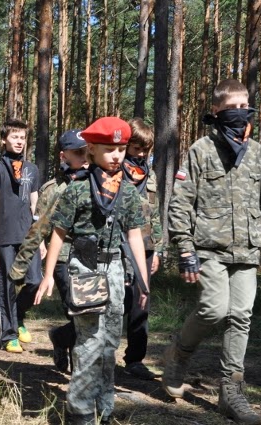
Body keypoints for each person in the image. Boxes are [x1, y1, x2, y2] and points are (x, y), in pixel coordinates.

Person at [164, 79, 261, 425]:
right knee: (214, 309)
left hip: (247, 249)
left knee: (241, 316)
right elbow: (181, 202)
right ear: (216, 111)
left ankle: (231, 389)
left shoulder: (257, 152)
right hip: (209, 249)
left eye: (245, 106)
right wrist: (185, 249)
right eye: (232, 108)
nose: (240, 113)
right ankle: (178, 354)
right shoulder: (201, 150)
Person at [35, 117, 149, 425]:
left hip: (115, 269)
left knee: (110, 344)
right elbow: (58, 233)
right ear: (92, 150)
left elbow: (134, 235)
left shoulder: (127, 191)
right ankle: (80, 410)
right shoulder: (78, 189)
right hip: (84, 268)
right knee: (89, 342)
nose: (116, 156)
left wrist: (143, 280)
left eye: (121, 149)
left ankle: (104, 408)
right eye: (109, 149)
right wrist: (48, 274)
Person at [9, 129, 89, 372]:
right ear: (64, 156)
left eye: (88, 151)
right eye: (78, 152)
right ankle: (80, 368)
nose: (85, 157)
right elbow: (39, 228)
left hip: (93, 259)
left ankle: (61, 338)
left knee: (90, 314)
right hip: (64, 257)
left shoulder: (99, 182)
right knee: (76, 311)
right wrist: (20, 265)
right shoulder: (53, 189)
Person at [0, 119, 42, 353]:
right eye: (14, 137)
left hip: (28, 236)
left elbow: (35, 206)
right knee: (7, 286)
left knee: (35, 281)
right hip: (5, 237)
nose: (19, 141)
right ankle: (8, 335)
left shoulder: (32, 169)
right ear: (4, 140)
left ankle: (18, 315)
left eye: (22, 137)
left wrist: (40, 236)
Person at [120, 118, 164, 380]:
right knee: (117, 301)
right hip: (118, 244)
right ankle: (68, 337)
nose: (140, 154)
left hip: (145, 246)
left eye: (145, 150)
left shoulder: (150, 174)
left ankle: (135, 360)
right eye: (136, 148)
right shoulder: (113, 170)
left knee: (141, 303)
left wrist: (157, 249)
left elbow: (154, 214)